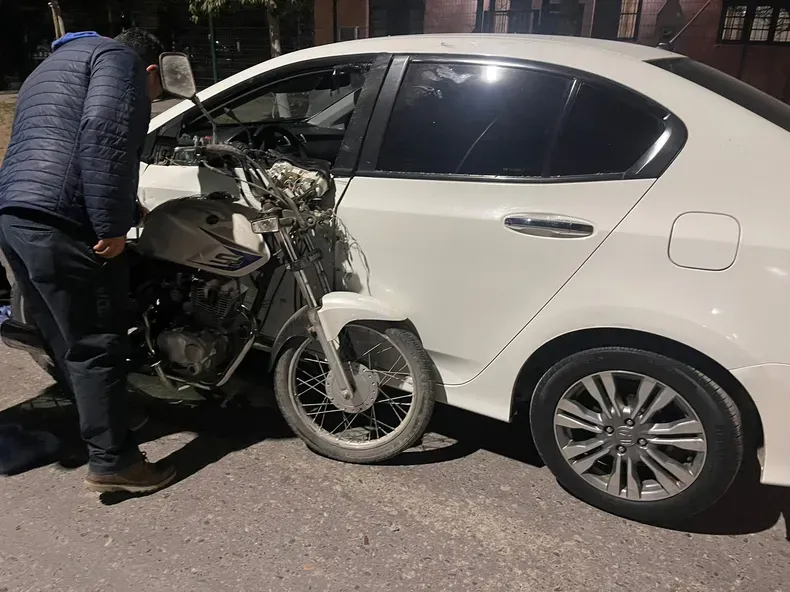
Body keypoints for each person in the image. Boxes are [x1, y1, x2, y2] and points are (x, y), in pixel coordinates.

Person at [0, 28, 176, 494]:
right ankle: (115, 462)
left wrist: (123, 209)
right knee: (98, 344)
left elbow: (55, 143)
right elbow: (104, 137)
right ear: (151, 70)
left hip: (16, 216)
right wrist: (111, 225)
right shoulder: (120, 60)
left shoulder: (53, 65)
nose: (152, 98)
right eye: (156, 91)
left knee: (66, 340)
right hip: (61, 223)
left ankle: (106, 423)